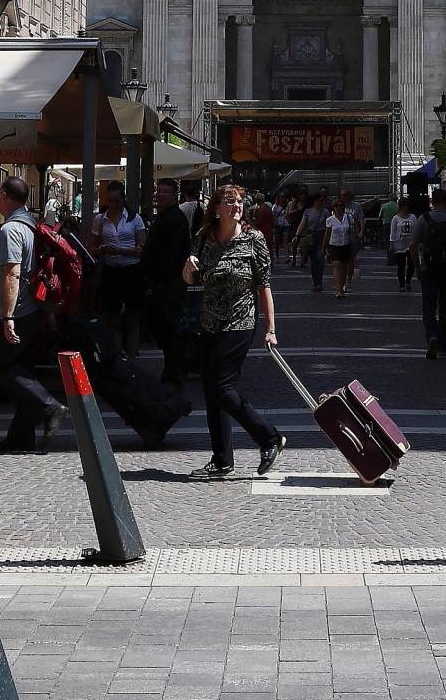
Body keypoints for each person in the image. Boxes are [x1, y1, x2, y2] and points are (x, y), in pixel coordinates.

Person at [182, 183, 284, 480]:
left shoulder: (254, 240)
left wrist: (271, 329)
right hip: (209, 323)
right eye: (229, 201)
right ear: (216, 208)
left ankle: (269, 438)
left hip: (240, 323)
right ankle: (222, 459)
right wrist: (188, 268)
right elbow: (188, 278)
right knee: (211, 391)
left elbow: (264, 286)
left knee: (220, 387)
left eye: (240, 201)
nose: (236, 206)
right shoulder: (204, 238)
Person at [0, 173, 62, 453]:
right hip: (35, 308)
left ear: (5, 198)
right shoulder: (32, 225)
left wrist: (6, 317)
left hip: (18, 310)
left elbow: (12, 272)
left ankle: (49, 407)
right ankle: (20, 437)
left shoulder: (10, 230)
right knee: (24, 369)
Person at [140, 177, 191, 386]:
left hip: (169, 284)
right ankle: (172, 370)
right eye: (158, 191)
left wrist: (161, 281)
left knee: (169, 330)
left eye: (166, 191)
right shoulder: (163, 216)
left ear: (174, 195)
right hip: (162, 283)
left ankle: (173, 372)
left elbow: (174, 254)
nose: (160, 195)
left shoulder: (174, 219)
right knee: (163, 329)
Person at [91, 181, 145, 357]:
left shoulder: (134, 218)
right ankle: (118, 356)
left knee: (133, 315)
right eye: (110, 201)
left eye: (116, 201)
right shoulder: (100, 219)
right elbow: (91, 247)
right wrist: (102, 250)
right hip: (111, 271)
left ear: (123, 199)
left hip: (131, 271)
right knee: (112, 315)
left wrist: (119, 250)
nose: (113, 205)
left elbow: (141, 250)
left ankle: (131, 356)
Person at [415, 185, 446, 359]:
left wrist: (417, 267)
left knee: (428, 306)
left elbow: (412, 244)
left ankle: (431, 336)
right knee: (445, 307)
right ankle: (443, 345)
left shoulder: (423, 219)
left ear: (432, 201)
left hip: (428, 268)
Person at [296, 191, 329, 292]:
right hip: (310, 237)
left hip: (321, 236)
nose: (322, 202)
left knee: (319, 259)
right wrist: (297, 235)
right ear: (315, 201)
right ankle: (315, 283)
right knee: (313, 261)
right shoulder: (308, 211)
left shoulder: (325, 212)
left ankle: (319, 283)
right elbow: (302, 224)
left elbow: (328, 226)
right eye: (320, 200)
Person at [324, 198, 353, 298]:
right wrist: (324, 247)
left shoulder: (348, 218)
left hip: (346, 244)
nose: (338, 208)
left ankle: (343, 285)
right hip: (334, 244)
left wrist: (356, 243)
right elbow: (327, 234)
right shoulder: (330, 220)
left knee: (344, 267)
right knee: (337, 265)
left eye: (340, 205)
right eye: (336, 206)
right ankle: (338, 289)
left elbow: (351, 232)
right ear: (333, 208)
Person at [388, 195, 418, 290]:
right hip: (399, 244)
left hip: (410, 244)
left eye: (407, 205)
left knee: (411, 264)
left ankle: (408, 282)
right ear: (400, 206)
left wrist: (417, 241)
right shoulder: (395, 219)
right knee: (401, 265)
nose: (406, 207)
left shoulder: (413, 217)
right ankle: (401, 284)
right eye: (404, 205)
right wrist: (391, 243)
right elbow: (393, 232)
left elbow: (416, 230)